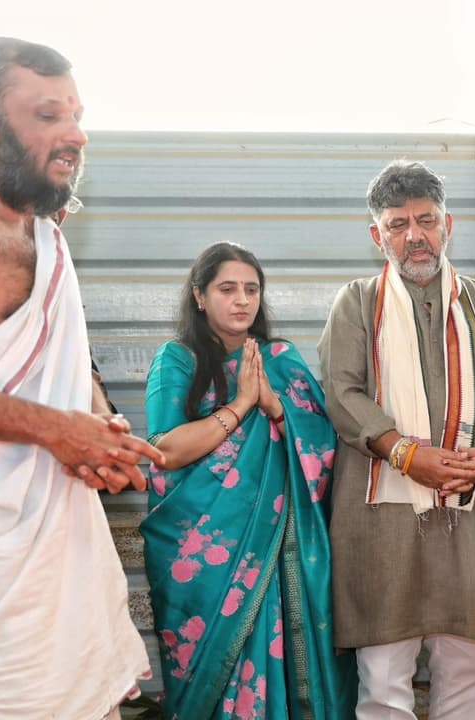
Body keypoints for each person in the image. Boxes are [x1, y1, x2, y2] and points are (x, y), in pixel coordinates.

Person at [0, 37, 162, 718]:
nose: (75, 134)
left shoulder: (49, 233)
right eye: (47, 115)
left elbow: (60, 361)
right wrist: (59, 432)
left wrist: (99, 428)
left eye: (76, 114)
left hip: (62, 547)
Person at [319, 160, 475, 720]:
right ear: (378, 235)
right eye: (397, 224)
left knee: (467, 669)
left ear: (450, 225)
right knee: (385, 675)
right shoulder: (356, 303)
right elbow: (342, 394)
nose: (414, 236)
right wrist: (406, 453)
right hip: (383, 516)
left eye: (426, 220)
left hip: (473, 508)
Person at [140, 242, 354, 719]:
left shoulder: (281, 359)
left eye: (252, 289)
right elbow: (166, 450)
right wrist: (241, 406)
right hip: (202, 557)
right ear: (200, 295)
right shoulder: (177, 360)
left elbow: (326, 449)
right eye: (227, 288)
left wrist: (276, 407)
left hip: (283, 556)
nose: (242, 300)